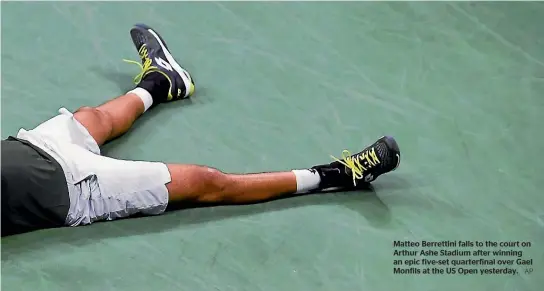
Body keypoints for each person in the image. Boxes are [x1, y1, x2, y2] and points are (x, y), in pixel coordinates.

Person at [1, 24, 401, 237]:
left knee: (94, 117)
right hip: (78, 191)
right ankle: (336, 175)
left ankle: (161, 81)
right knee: (205, 181)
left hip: (35, 147)